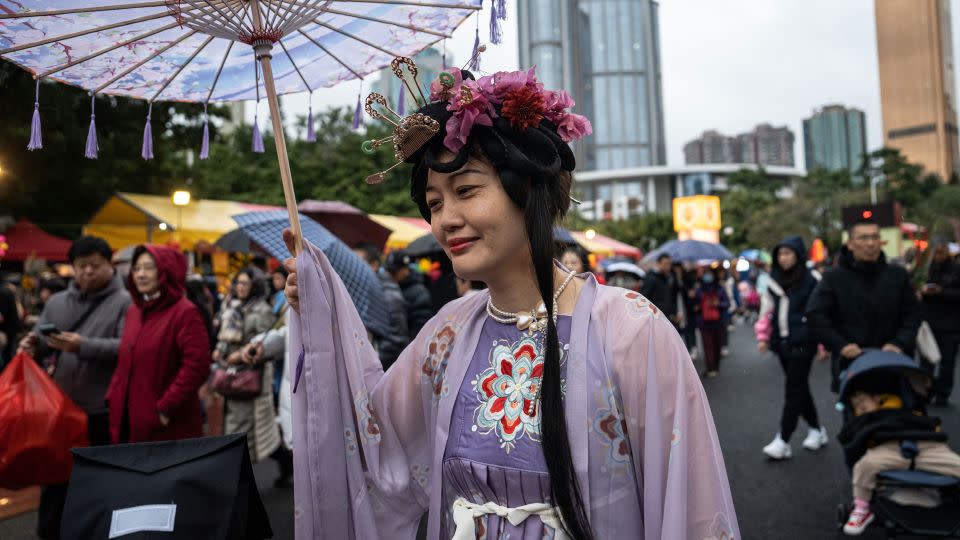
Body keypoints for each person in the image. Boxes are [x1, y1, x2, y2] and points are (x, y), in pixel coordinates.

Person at [282, 62, 739, 539]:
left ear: (530, 190)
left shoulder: (631, 329)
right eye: (434, 203)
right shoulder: (448, 330)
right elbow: (373, 445)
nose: (446, 220)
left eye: (466, 191)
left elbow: (690, 505)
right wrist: (322, 317)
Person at [17, 236, 131, 540]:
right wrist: (33, 345)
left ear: (110, 264)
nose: (87, 273)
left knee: (100, 484)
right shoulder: (57, 302)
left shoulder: (125, 302)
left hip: (101, 411)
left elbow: (127, 348)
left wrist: (82, 346)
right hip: (61, 410)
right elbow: (43, 338)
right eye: (81, 267)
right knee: (55, 481)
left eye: (95, 265)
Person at [106, 245, 211, 444]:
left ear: (165, 270)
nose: (141, 274)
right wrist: (114, 396)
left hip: (167, 424)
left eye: (149, 268)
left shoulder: (184, 312)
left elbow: (197, 366)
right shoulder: (134, 311)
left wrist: (165, 407)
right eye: (136, 268)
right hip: (129, 417)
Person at [806, 219, 921, 392]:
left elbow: (912, 313)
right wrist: (841, 345)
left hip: (894, 362)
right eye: (863, 238)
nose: (870, 243)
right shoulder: (833, 278)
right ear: (850, 244)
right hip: (852, 365)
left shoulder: (897, 275)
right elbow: (815, 315)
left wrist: (899, 343)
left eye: (875, 237)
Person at [838, 390, 960, 535]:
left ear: (877, 398)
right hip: (890, 448)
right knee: (865, 465)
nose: (859, 407)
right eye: (856, 406)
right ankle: (862, 508)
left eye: (863, 401)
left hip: (928, 446)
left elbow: (932, 426)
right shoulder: (866, 419)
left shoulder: (905, 409)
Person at [755, 236, 828, 460]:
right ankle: (817, 429)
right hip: (782, 341)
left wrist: (823, 343)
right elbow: (766, 310)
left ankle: (783, 439)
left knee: (793, 389)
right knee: (800, 388)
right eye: (781, 254)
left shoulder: (813, 278)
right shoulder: (772, 279)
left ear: (798, 254)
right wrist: (762, 336)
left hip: (805, 341)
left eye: (788, 253)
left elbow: (822, 311)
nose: (784, 258)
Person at [215, 268, 281, 465]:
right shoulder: (231, 306)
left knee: (243, 429)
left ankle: (241, 476)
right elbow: (224, 337)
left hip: (248, 376)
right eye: (238, 283)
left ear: (255, 287)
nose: (240, 287)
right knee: (235, 427)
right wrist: (220, 349)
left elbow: (264, 345)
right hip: (229, 371)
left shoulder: (261, 310)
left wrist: (242, 354)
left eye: (245, 283)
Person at [355, 243, 409, 369]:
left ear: (374, 265)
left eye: (359, 262)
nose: (354, 266)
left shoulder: (388, 292)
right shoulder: (365, 287)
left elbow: (397, 339)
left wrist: (371, 361)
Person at [920, 241, 960, 406]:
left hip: (951, 325)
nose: (938, 256)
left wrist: (941, 292)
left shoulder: (956, 270)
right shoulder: (927, 269)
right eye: (936, 253)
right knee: (926, 362)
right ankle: (925, 391)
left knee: (947, 363)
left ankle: (943, 393)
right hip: (929, 323)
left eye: (941, 253)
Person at [385, 249, 434, 339]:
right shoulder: (390, 287)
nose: (390, 275)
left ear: (406, 270)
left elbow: (420, 329)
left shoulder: (419, 293)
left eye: (394, 272)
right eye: (389, 271)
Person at [693, 267, 730, 378]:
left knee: (717, 345)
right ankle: (710, 369)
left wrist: (718, 304)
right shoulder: (699, 289)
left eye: (709, 274)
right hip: (704, 322)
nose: (708, 277)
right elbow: (694, 305)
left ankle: (715, 367)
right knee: (708, 346)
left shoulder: (720, 289)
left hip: (718, 321)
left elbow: (727, 304)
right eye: (706, 274)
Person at [640, 253, 679, 327]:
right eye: (665, 264)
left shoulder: (667, 278)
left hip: (667, 317)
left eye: (669, 264)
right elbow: (644, 298)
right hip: (655, 318)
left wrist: (674, 312)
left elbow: (670, 297)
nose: (668, 266)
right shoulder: (651, 278)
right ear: (658, 263)